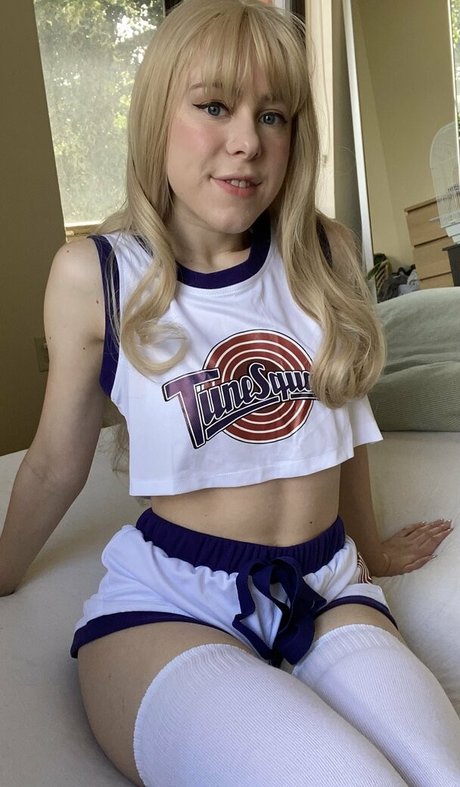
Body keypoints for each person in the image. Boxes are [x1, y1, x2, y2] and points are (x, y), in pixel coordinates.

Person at [1, 0, 459, 784]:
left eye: (272, 116)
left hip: (325, 582)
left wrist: (372, 549)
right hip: (169, 605)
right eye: (214, 106)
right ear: (158, 116)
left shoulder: (323, 255)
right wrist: (3, 569)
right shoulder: (98, 275)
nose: (247, 141)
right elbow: (52, 463)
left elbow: (342, 431)